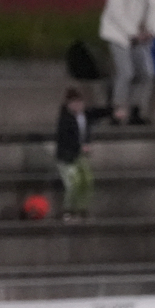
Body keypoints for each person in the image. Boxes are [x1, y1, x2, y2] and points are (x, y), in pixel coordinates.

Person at [100, 0, 155, 125]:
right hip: (118, 34)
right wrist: (133, 33)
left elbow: (154, 10)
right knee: (126, 73)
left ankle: (136, 110)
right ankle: (117, 111)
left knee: (147, 73)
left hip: (140, 36)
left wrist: (152, 31)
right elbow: (116, 12)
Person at [55, 87, 94, 220]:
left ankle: (82, 208)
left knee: (87, 180)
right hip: (66, 157)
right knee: (73, 183)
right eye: (74, 103)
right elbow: (66, 138)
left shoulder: (84, 116)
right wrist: (81, 146)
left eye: (79, 102)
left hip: (78, 155)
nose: (77, 106)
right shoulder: (65, 119)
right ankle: (68, 210)